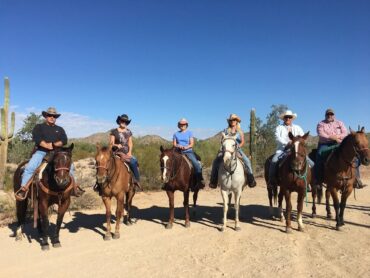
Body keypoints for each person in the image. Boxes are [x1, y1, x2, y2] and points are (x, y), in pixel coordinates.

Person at [15, 107, 81, 200]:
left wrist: (54, 145)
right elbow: (37, 138)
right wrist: (47, 145)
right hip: (41, 152)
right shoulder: (39, 127)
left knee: (71, 167)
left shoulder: (60, 129)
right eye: (50, 115)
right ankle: (23, 189)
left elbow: (64, 140)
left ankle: (74, 187)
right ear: (46, 116)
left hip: (57, 153)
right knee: (30, 167)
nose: (52, 117)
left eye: (54, 116)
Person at [316, 108, 366, 188]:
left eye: (331, 114)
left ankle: (357, 179)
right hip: (325, 144)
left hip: (339, 143)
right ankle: (318, 180)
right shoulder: (321, 124)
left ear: (334, 115)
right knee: (319, 155)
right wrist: (331, 137)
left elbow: (345, 132)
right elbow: (321, 134)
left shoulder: (340, 123)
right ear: (325, 115)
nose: (330, 115)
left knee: (355, 157)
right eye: (328, 114)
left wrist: (337, 138)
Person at [209, 114, 256, 188]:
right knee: (216, 161)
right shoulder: (225, 130)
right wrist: (224, 146)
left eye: (234, 120)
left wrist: (237, 147)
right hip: (226, 149)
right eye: (231, 120)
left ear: (237, 121)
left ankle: (251, 179)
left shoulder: (240, 131)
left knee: (247, 161)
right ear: (229, 121)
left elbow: (242, 142)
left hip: (237, 149)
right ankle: (213, 181)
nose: (232, 121)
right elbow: (222, 140)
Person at [268, 110, 314, 186]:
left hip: (296, 150)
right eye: (286, 117)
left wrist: (297, 143)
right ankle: (272, 180)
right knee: (274, 160)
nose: (288, 119)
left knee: (311, 163)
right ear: (283, 118)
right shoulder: (279, 128)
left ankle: (309, 181)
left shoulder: (297, 127)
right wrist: (287, 143)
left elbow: (302, 138)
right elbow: (277, 138)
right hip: (282, 150)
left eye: (290, 117)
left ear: (292, 118)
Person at [109, 114, 142, 191]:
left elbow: (130, 143)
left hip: (126, 153)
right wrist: (116, 145)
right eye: (122, 121)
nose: (124, 122)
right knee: (103, 163)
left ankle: (137, 180)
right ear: (119, 121)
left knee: (134, 162)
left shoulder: (129, 132)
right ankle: (99, 184)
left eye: (125, 121)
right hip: (116, 153)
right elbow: (111, 144)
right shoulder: (114, 131)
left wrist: (130, 152)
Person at [173, 118, 204, 189]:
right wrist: (178, 145)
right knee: (169, 162)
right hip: (178, 151)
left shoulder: (190, 133)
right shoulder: (175, 134)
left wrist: (186, 147)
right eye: (181, 124)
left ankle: (199, 181)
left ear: (186, 125)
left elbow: (191, 144)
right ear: (179, 125)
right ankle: (167, 182)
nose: (182, 125)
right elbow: (174, 144)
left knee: (196, 164)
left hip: (188, 151)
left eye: (184, 124)